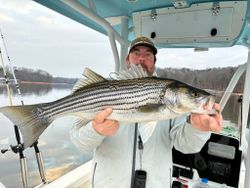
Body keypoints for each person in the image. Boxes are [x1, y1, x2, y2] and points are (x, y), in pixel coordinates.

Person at [70, 36, 223, 188]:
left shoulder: (178, 108)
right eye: (136, 53)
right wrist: (95, 130)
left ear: (154, 62)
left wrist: (198, 130)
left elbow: (186, 146)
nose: (141, 58)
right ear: (127, 60)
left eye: (148, 54)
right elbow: (80, 143)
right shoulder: (103, 92)